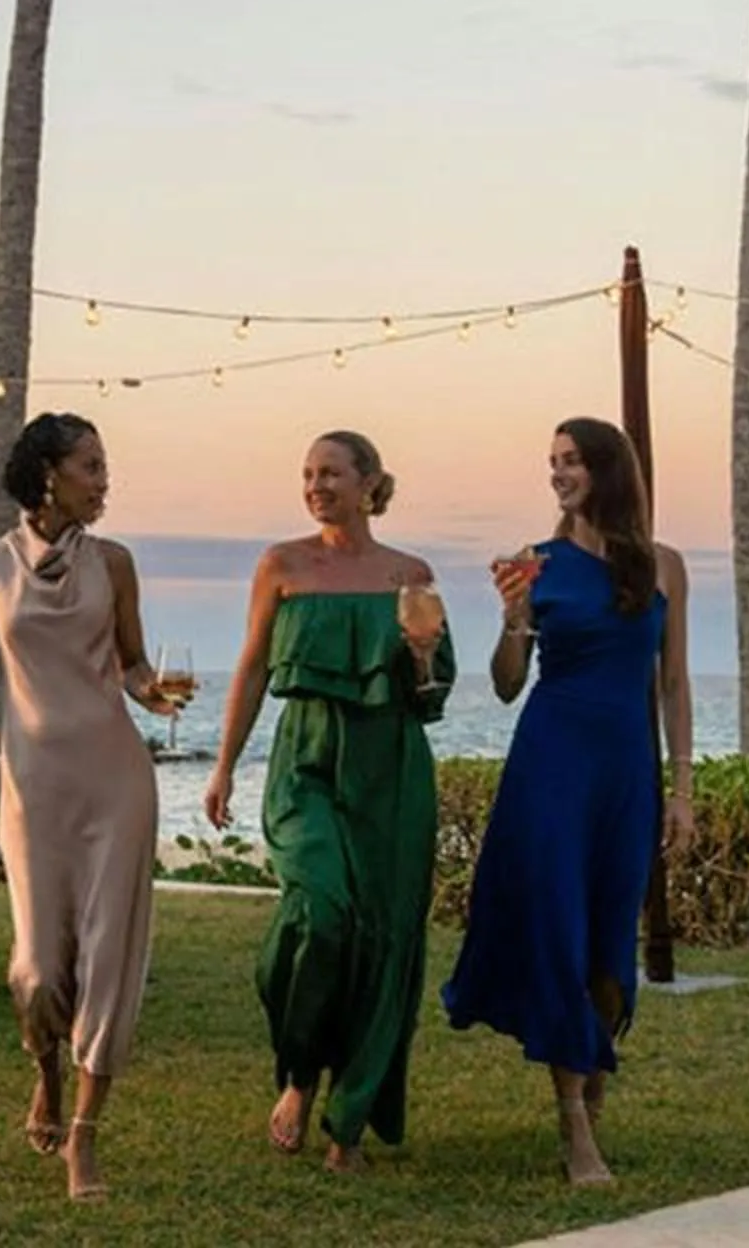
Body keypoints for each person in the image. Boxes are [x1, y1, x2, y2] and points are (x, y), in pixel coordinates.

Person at [0, 412, 184, 1202]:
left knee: (107, 958)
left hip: (116, 779)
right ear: (48, 474)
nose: (104, 479)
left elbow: (134, 662)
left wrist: (156, 691)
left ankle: (84, 1137)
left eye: (105, 465)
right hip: (33, 785)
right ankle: (44, 1070)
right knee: (39, 968)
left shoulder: (115, 562)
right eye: (90, 465)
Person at [440, 417, 694, 1187]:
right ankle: (575, 1125)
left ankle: (590, 1093)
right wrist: (516, 615)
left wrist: (683, 786)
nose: (558, 474)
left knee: (611, 950)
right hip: (550, 765)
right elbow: (509, 682)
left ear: (608, 470)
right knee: (558, 932)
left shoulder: (665, 567)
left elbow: (673, 684)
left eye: (572, 461)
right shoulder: (536, 563)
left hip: (625, 773)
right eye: (551, 462)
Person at [202, 431, 457, 1174]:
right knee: (320, 913)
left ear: (369, 482)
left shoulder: (409, 574)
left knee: (379, 937)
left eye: (331, 473)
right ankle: (298, 1073)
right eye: (308, 473)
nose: (316, 485)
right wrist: (222, 769)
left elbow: (431, 697)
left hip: (392, 769)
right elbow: (251, 669)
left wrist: (418, 657)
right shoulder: (281, 565)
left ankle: (347, 1119)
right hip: (305, 762)